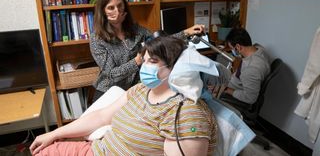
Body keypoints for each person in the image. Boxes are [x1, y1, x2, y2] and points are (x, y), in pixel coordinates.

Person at [30, 36, 217, 156]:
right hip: (96, 150)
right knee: (43, 150)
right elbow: (101, 117)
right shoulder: (142, 90)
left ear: (176, 67)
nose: (144, 68)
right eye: (143, 61)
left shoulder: (186, 113)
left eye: (152, 61)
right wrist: (52, 134)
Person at [90, 0, 205, 102]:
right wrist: (137, 61)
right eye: (111, 8)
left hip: (133, 91)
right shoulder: (97, 39)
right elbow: (111, 74)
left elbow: (159, 41)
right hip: (109, 92)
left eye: (120, 5)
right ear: (103, 11)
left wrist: (186, 32)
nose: (117, 11)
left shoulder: (135, 29)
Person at [220, 27, 271, 111]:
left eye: (232, 48)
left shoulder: (251, 69)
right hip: (236, 81)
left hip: (232, 91)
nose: (232, 51)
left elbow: (250, 98)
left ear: (238, 47)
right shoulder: (259, 49)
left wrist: (226, 89)